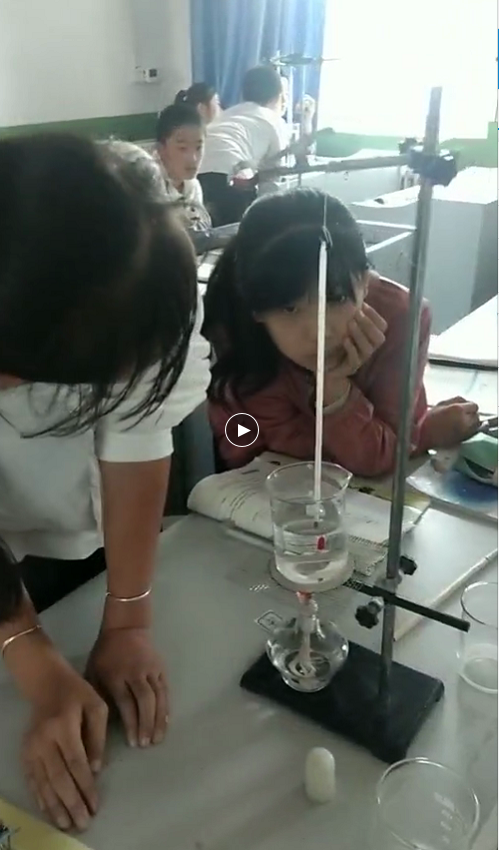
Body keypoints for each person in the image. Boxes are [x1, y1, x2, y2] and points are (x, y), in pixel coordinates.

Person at [0, 134, 210, 831]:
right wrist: (34, 664)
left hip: (76, 531)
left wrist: (127, 620)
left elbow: (137, 438)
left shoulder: (141, 268)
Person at [203, 189, 480, 476]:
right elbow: (245, 450)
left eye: (336, 298)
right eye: (290, 308)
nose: (319, 331)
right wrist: (422, 436)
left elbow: (382, 453)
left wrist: (334, 387)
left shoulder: (402, 316)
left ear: (364, 282)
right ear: (256, 309)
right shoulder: (236, 325)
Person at [198, 65, 292, 227]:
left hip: (197, 174)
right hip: (231, 176)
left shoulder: (227, 114)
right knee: (239, 233)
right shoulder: (274, 121)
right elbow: (272, 178)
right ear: (278, 97)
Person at [156, 103, 211, 231]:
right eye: (182, 148)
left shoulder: (193, 186)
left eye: (198, 148)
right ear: (161, 149)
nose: (193, 158)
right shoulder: (150, 188)